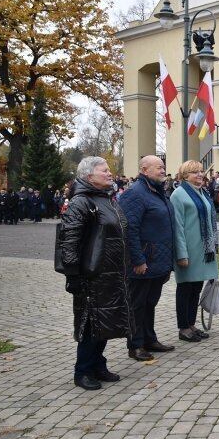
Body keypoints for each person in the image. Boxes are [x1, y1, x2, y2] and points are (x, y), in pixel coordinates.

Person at [58, 156, 132, 390]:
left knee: (106, 321)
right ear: (89, 177)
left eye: (109, 170)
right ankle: (83, 371)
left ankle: (98, 365)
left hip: (111, 274)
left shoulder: (106, 199)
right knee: (90, 324)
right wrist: (73, 274)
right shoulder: (81, 202)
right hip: (91, 275)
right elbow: (69, 239)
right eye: (104, 171)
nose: (110, 174)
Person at [117, 155, 176, 362]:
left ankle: (150, 339)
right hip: (143, 262)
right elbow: (129, 229)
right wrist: (138, 260)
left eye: (163, 167)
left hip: (158, 261)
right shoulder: (135, 193)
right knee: (137, 304)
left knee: (150, 302)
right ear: (144, 170)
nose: (163, 170)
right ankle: (136, 345)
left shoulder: (158, 192)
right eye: (158, 167)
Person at [170, 161, 219, 342]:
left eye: (200, 171)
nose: (200, 174)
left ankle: (191, 324)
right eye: (194, 172)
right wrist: (181, 254)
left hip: (203, 250)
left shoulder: (202, 192)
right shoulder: (178, 195)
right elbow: (178, 227)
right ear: (184, 175)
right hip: (189, 251)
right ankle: (183, 327)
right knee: (185, 289)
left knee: (196, 288)